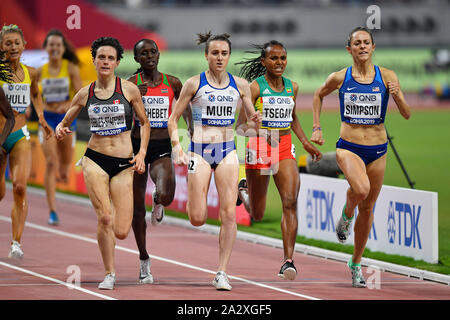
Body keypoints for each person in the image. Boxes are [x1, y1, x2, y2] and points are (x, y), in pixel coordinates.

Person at [310, 27, 411, 288]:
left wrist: (397, 94)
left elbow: (407, 113)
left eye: (367, 42)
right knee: (361, 189)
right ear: (349, 49)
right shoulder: (340, 77)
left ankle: (356, 263)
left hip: (377, 150)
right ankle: (346, 213)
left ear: (373, 47)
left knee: (368, 207)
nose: (363, 46)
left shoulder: (387, 76)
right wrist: (317, 127)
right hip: (349, 147)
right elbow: (318, 96)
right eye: (357, 43)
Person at [168, 32, 261, 291]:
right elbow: (172, 119)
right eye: (215, 53)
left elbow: (247, 125)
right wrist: (177, 146)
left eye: (224, 53)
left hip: (227, 151)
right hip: (198, 150)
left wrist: (255, 122)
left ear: (229, 56)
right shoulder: (193, 84)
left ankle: (222, 271)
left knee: (228, 214)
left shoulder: (240, 85)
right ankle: (238, 193)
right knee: (197, 218)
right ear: (206, 55)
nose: (220, 58)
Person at [55, 37, 150, 290]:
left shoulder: (129, 90)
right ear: (94, 60)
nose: (106, 62)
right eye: (101, 57)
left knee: (120, 230)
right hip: (94, 159)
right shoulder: (85, 93)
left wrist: (141, 154)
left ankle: (113, 242)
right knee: (105, 218)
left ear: (118, 62)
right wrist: (61, 128)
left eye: (110, 58)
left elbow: (145, 123)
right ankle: (110, 273)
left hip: (123, 163)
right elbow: (66, 119)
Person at [235, 40, 322, 280]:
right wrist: (256, 127)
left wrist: (304, 141)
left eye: (283, 58)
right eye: (274, 58)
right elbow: (240, 127)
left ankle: (288, 261)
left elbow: (292, 118)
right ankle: (243, 191)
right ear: (263, 62)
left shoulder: (291, 87)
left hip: (283, 147)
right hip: (260, 148)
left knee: (290, 200)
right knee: (258, 214)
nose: (279, 62)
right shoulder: (254, 88)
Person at [127, 38, 192, 284]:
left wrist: (192, 128)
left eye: (153, 51)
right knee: (136, 211)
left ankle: (158, 200)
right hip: (134, 148)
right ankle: (144, 259)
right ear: (136, 59)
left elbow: (184, 106)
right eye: (144, 53)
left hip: (162, 146)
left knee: (167, 195)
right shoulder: (130, 84)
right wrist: (133, 98)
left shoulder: (172, 82)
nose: (150, 56)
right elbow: (121, 115)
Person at [0, 25, 52, 259]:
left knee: (20, 187)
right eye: (8, 43)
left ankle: (16, 242)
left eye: (16, 43)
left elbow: (36, 94)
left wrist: (41, 118)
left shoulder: (31, 71)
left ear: (24, 46)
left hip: (20, 134)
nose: (12, 47)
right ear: (1, 47)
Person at [38, 29, 83, 226]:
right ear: (46, 48)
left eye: (58, 45)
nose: (55, 48)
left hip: (66, 121)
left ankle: (64, 170)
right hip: (47, 121)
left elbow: (81, 95)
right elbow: (35, 96)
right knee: (50, 162)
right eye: (51, 45)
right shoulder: (41, 71)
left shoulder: (70, 68)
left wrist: (68, 106)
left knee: (64, 169)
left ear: (63, 48)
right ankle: (52, 210)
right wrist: (42, 109)